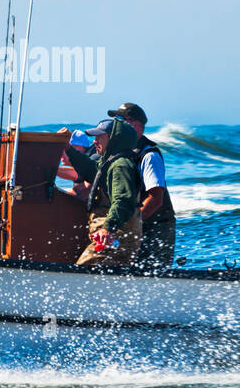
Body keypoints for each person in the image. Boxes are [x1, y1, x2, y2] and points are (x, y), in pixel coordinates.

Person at [108, 102, 176, 270]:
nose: (116, 124)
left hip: (156, 228)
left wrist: (132, 225)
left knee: (152, 274)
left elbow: (156, 198)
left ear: (135, 125)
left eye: (120, 119)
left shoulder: (149, 155)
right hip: (138, 227)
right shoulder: (122, 153)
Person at [67, 118, 142, 266]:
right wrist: (68, 148)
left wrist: (107, 229)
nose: (94, 141)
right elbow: (91, 170)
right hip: (111, 234)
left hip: (116, 235)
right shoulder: (111, 162)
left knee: (83, 269)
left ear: (114, 139)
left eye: (99, 137)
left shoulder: (120, 165)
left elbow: (123, 201)